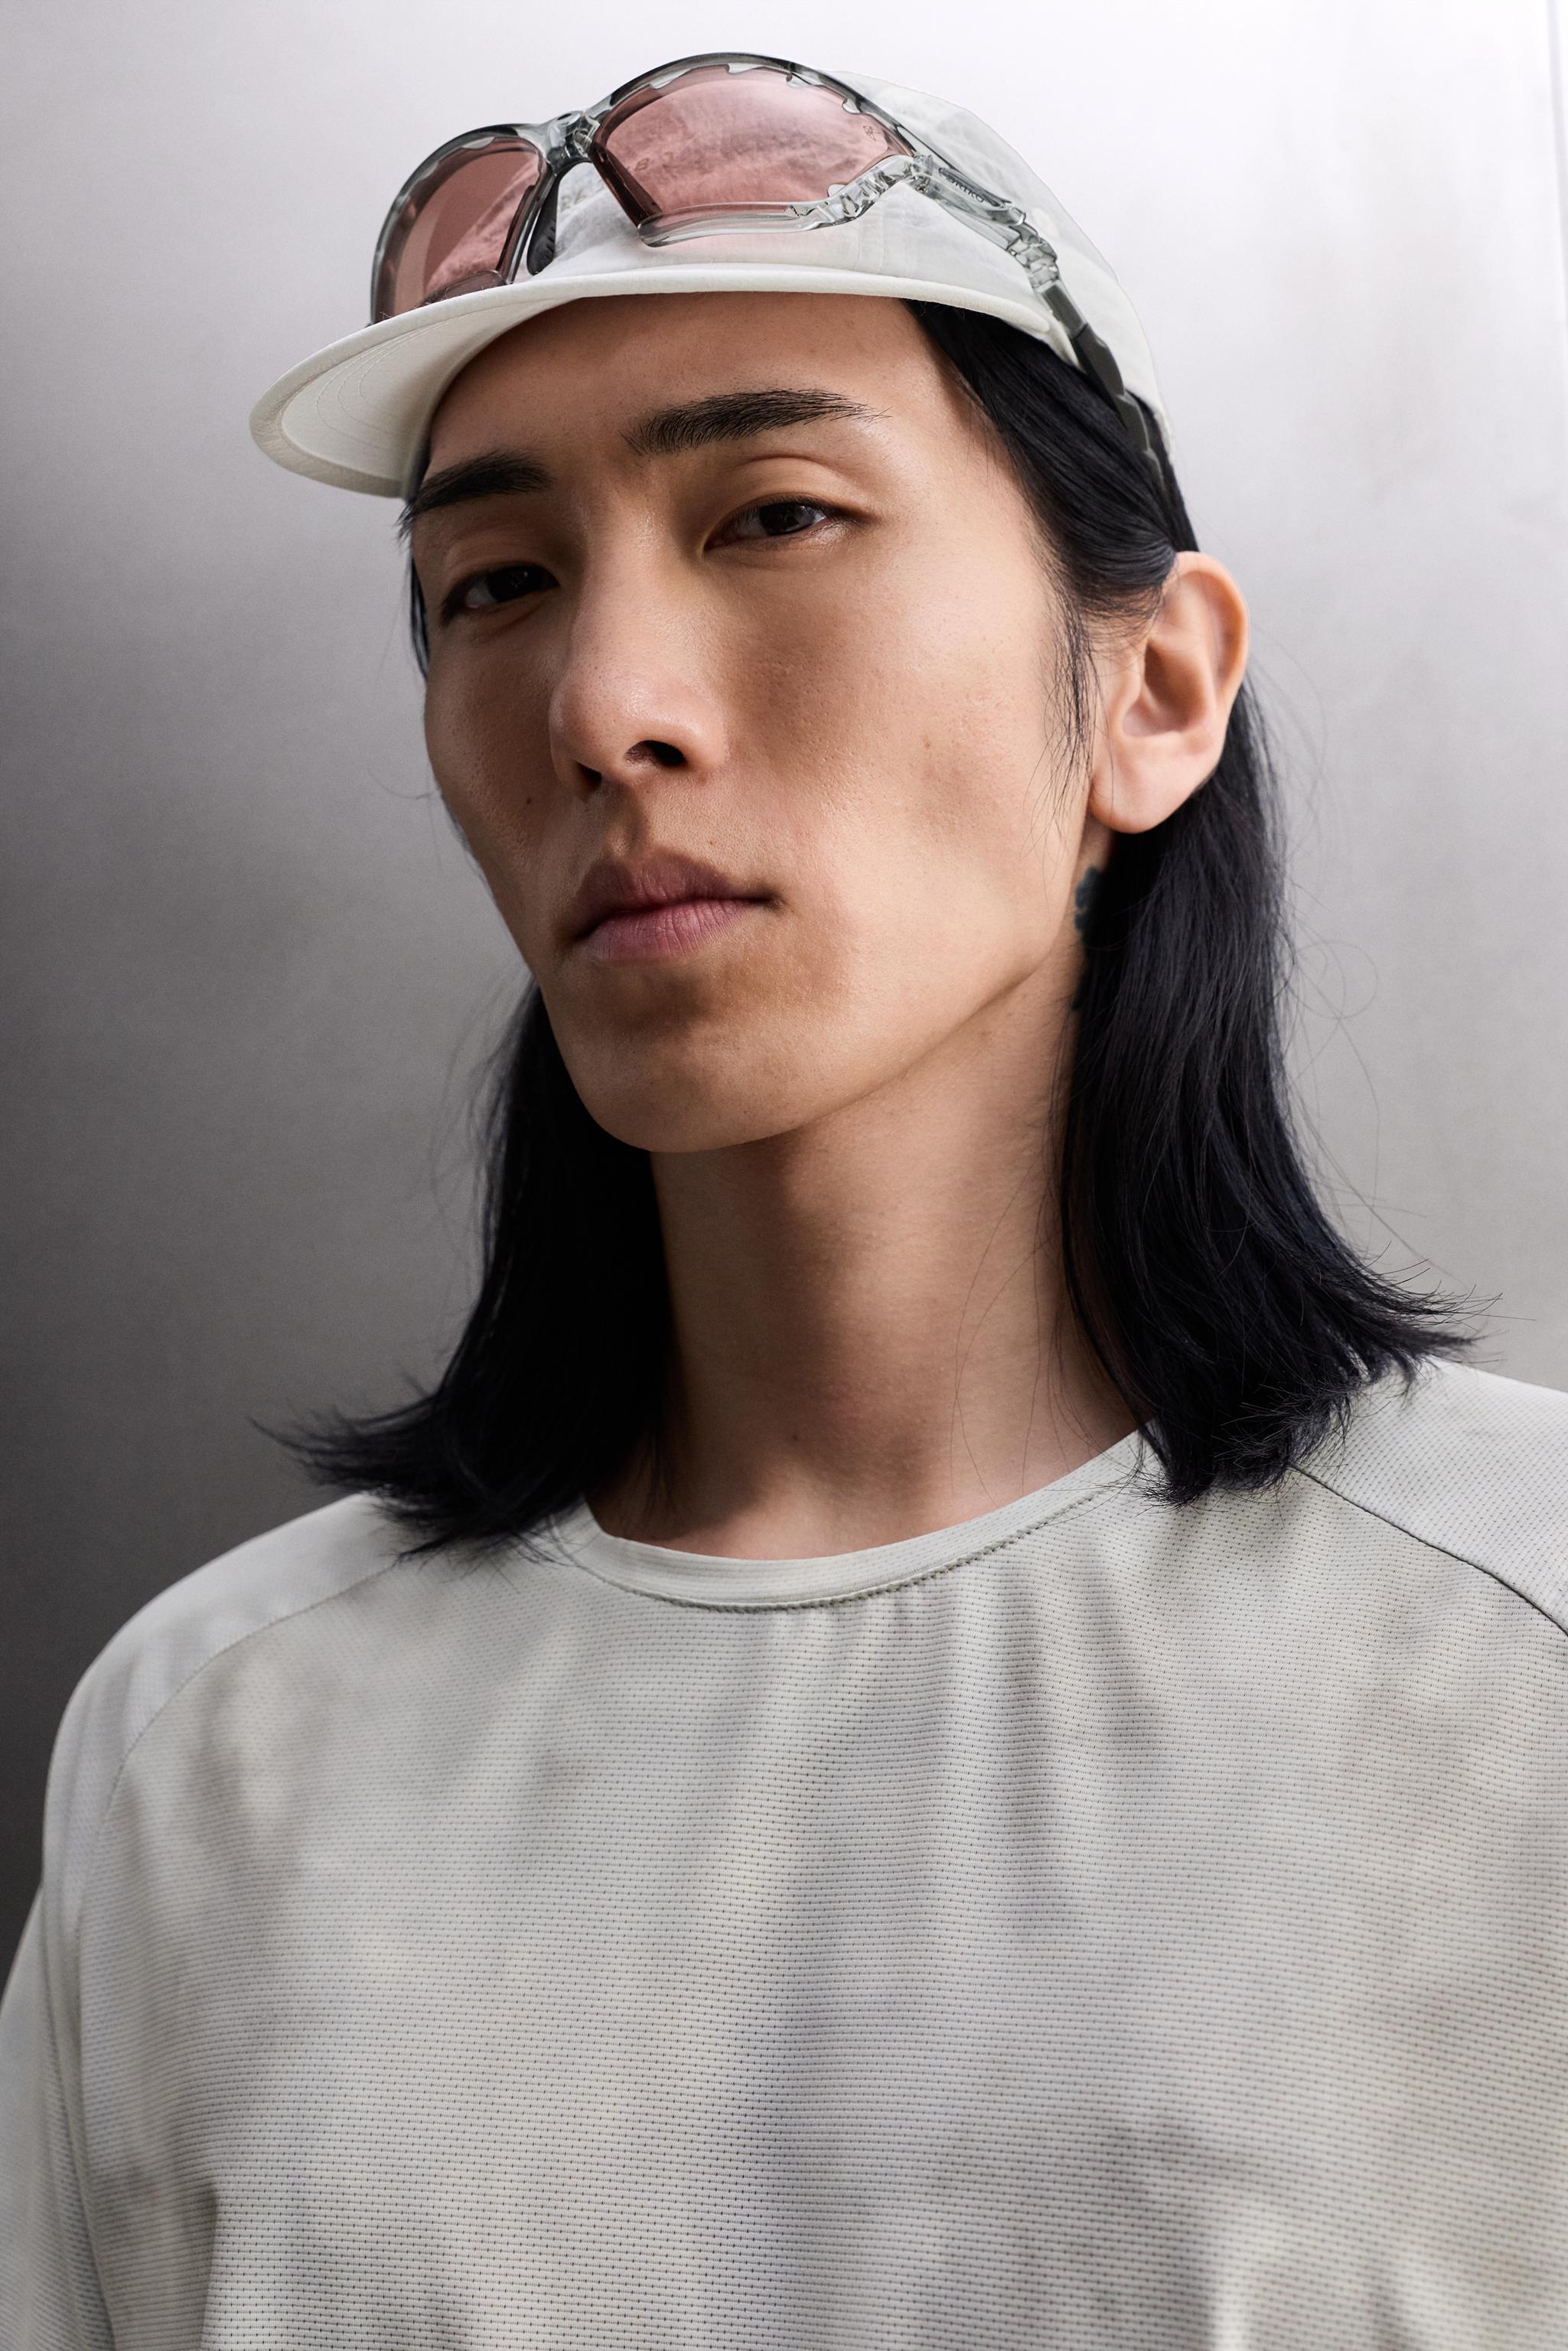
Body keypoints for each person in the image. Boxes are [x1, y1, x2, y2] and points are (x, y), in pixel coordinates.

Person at [3, 51, 1565, 2346]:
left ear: (1150, 690)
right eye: (493, 583)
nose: (602, 706)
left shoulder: (1521, 1648)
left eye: (773, 518)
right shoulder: (214, 1754)